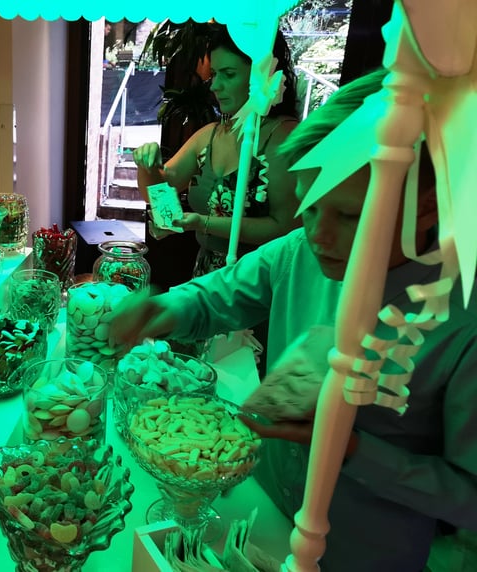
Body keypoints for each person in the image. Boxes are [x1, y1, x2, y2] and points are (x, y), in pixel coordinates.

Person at [110, 68, 477, 572]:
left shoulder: (461, 322)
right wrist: (163, 309)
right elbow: (217, 295)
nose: (317, 235)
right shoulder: (300, 250)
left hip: (363, 552)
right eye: (309, 208)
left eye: (348, 216)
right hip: (259, 512)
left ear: (426, 209)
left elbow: (468, 497)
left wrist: (349, 447)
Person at [133, 23, 300, 276]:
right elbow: (159, 193)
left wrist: (204, 223)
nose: (214, 86)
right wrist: (148, 166)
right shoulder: (210, 135)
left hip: (257, 280)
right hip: (207, 275)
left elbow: (286, 227)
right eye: (214, 74)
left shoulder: (286, 138)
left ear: (262, 73)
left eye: (228, 74)